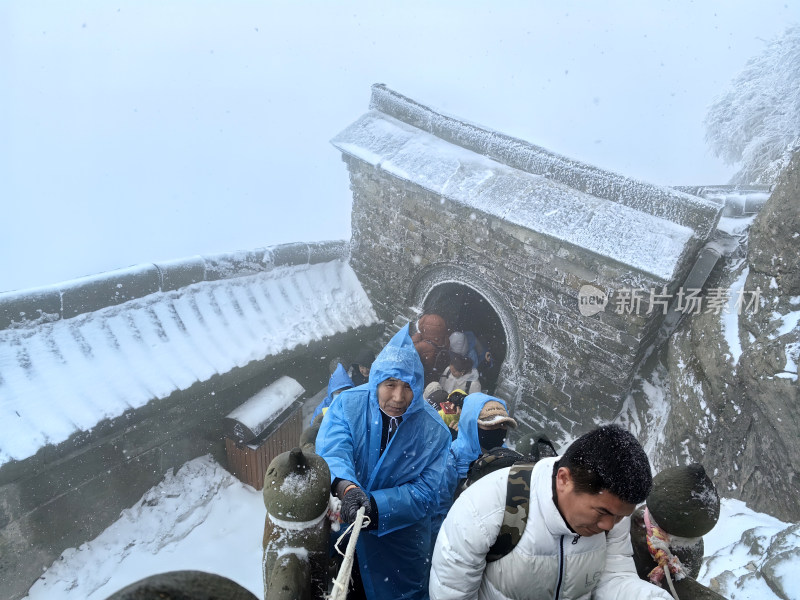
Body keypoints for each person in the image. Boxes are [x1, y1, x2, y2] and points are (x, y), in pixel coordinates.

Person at [429, 424, 673, 600]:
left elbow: (613, 579)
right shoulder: (485, 509)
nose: (609, 526)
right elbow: (451, 595)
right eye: (602, 512)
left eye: (621, 516)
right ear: (564, 479)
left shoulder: (612, 518)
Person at [316, 324, 452, 600]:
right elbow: (333, 449)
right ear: (376, 380)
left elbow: (426, 492)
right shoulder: (349, 406)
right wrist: (347, 488)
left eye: (407, 386)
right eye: (390, 384)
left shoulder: (433, 430)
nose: (398, 397)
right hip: (345, 528)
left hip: (398, 540)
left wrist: (376, 509)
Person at [431, 394, 517, 542]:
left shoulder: (508, 457)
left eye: (503, 425)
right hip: (458, 537)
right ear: (471, 423)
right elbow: (439, 510)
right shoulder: (450, 458)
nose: (498, 429)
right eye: (489, 424)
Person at [411, 314, 450, 385]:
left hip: (424, 376)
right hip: (435, 376)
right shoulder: (445, 341)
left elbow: (410, 349)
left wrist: (418, 335)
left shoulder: (424, 346)